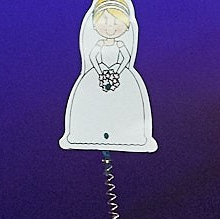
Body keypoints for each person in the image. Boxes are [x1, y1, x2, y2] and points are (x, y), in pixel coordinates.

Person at [60, 0, 156, 153]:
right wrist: (101, 70)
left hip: (120, 75)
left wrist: (117, 70)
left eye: (116, 22)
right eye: (104, 21)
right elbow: (93, 58)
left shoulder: (120, 45)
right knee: (94, 105)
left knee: (122, 105)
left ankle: (126, 135)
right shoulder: (98, 45)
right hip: (98, 75)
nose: (110, 27)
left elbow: (125, 58)